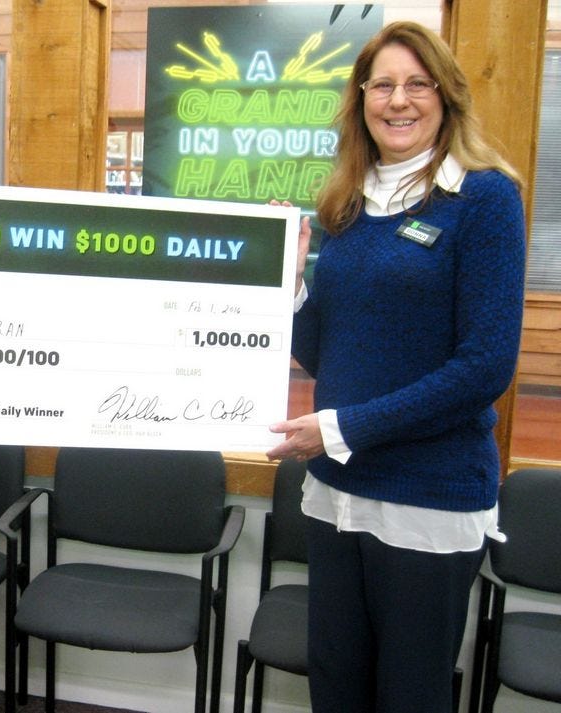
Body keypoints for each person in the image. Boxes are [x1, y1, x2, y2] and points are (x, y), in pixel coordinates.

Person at [265, 21, 526, 713]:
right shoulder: (346, 203)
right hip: (339, 491)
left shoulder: (485, 198)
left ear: (446, 96)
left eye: (418, 83)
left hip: (429, 496)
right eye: (382, 84)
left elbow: (484, 365)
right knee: (335, 681)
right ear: (361, 99)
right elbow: (330, 352)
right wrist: (290, 286)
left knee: (410, 693)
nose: (398, 100)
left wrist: (342, 427)